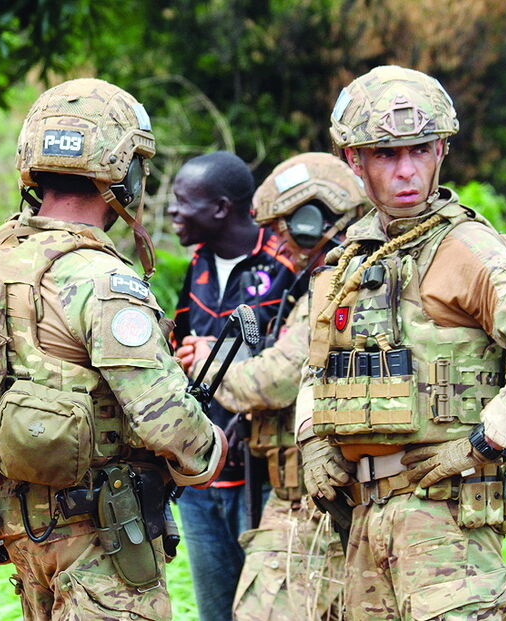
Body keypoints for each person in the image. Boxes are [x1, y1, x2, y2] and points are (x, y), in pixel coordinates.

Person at [296, 65, 506, 620]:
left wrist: (484, 445)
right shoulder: (353, 257)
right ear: (354, 160)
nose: (406, 171)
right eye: (385, 154)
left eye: (420, 151)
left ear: (442, 150)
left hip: (446, 526)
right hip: (365, 522)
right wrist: (311, 439)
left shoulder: (467, 248)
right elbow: (317, 366)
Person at [0, 78, 228, 621]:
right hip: (100, 536)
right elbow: (164, 417)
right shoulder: (103, 280)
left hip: (19, 525)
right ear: (123, 172)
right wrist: (210, 448)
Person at [178, 152, 368, 620]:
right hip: (256, 480)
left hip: (302, 490)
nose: (277, 240)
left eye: (284, 227)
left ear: (311, 221)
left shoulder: (340, 284)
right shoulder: (325, 280)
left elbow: (274, 379)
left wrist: (206, 362)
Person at [168, 151, 296, 621]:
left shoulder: (285, 263)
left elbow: (293, 362)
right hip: (202, 473)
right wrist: (184, 356)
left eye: (183, 201)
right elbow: (184, 340)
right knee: (216, 613)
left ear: (221, 208)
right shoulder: (198, 262)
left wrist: (218, 356)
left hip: (265, 477)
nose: (172, 211)